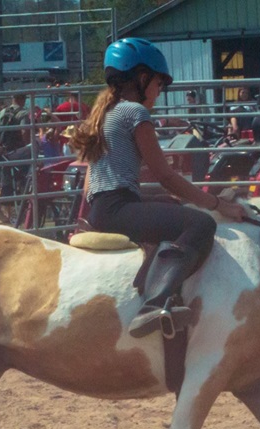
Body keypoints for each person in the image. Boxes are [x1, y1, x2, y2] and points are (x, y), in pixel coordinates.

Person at [70, 38, 245, 338]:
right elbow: (166, 175)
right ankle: (154, 304)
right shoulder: (135, 113)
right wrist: (217, 204)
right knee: (200, 224)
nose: (159, 92)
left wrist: (161, 198)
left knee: (173, 209)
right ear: (142, 79)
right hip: (117, 209)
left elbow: (98, 184)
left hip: (103, 208)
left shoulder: (104, 115)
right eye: (158, 84)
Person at [0, 93, 32, 199]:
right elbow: (24, 131)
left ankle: (5, 191)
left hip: (4, 150)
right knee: (30, 160)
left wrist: (0, 146)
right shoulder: (23, 113)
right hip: (17, 149)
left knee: (6, 171)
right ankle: (23, 189)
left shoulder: (2, 112)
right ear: (23, 100)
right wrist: (26, 146)